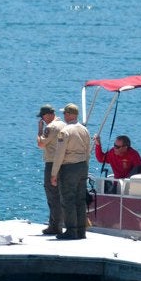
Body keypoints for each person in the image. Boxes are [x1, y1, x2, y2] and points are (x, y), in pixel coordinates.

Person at [50, 103, 91, 240]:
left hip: (69, 167)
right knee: (80, 200)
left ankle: (71, 230)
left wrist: (54, 173)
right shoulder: (84, 130)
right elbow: (87, 151)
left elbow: (60, 154)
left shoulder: (65, 131)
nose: (64, 116)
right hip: (82, 166)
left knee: (68, 199)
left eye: (65, 113)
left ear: (69, 114)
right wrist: (85, 166)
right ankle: (81, 231)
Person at [36, 104, 66, 235]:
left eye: (43, 117)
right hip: (64, 163)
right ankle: (59, 223)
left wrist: (40, 130)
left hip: (52, 162)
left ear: (48, 115)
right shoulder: (64, 125)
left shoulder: (51, 127)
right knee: (60, 195)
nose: (43, 119)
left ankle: (54, 226)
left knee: (52, 194)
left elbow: (41, 144)